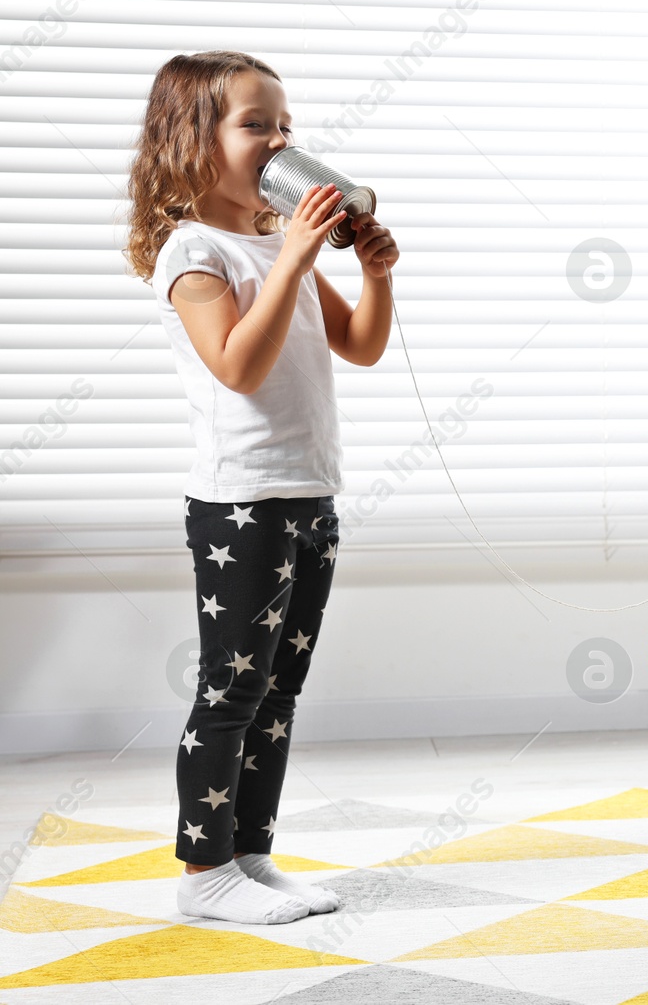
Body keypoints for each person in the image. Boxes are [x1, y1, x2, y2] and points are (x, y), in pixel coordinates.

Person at [124, 51, 399, 924]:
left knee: (279, 688)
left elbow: (358, 343)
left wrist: (373, 272)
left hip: (309, 490)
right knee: (231, 688)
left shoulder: (274, 241)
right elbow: (238, 366)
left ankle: (249, 851)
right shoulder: (193, 250)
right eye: (256, 125)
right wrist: (294, 256)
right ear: (191, 142)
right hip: (239, 498)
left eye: (286, 125)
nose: (280, 141)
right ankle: (203, 870)